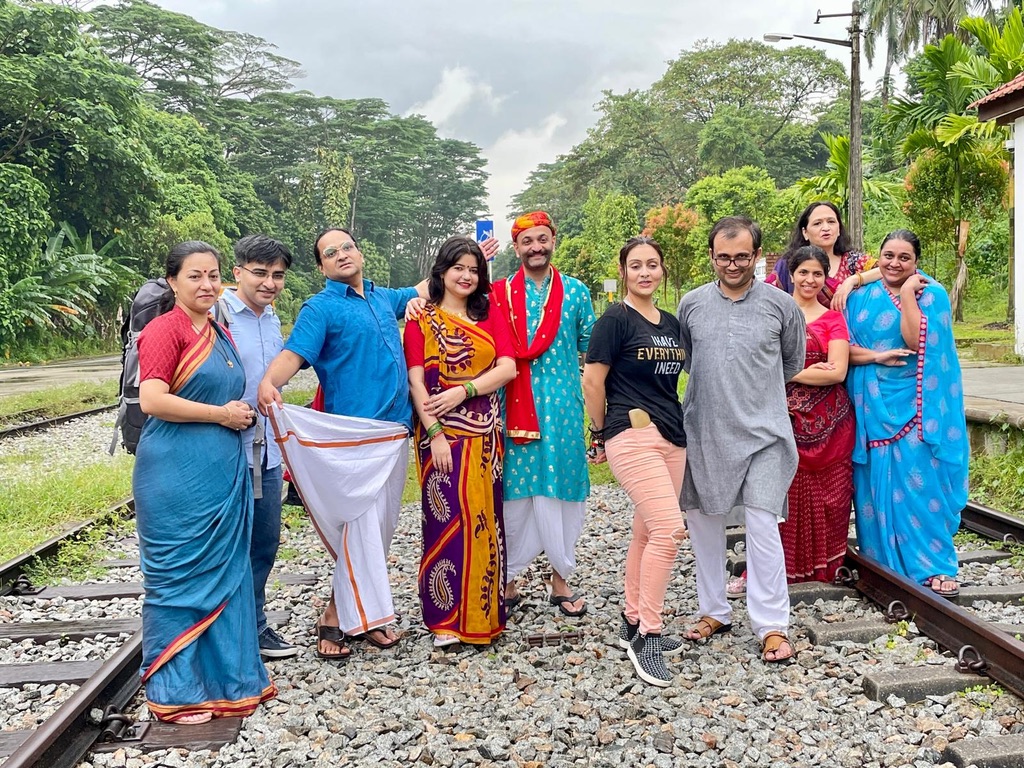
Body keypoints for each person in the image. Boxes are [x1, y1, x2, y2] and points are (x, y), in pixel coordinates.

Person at [257, 227, 428, 659]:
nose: (341, 255)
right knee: (360, 526)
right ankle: (336, 617)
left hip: (395, 433)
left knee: (381, 529)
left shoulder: (383, 297)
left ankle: (361, 615)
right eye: (330, 253)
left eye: (347, 247)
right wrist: (269, 382)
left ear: (360, 252)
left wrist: (473, 252)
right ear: (322, 266)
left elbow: (430, 283)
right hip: (354, 438)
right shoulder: (322, 307)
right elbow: (294, 355)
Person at [134, 241, 275, 723]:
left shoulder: (220, 329)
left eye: (214, 275)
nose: (207, 285)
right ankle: (175, 692)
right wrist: (222, 414)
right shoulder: (162, 330)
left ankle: (230, 682)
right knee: (177, 580)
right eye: (195, 276)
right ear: (172, 281)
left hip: (221, 470)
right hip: (175, 473)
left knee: (228, 573)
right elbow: (152, 400)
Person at [676, 217, 805, 664]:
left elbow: (791, 362)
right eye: (724, 257)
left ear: (757, 256)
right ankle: (714, 610)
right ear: (712, 256)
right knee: (705, 523)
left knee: (762, 524)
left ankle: (772, 625)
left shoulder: (782, 306)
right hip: (705, 430)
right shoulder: (690, 305)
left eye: (742, 256)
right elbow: (690, 362)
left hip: (767, 434)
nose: (733, 264)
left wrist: (754, 395)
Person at [582, 236, 688, 687]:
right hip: (631, 433)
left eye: (652, 265)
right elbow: (592, 381)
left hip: (673, 436)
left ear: (662, 270)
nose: (645, 272)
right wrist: (600, 431)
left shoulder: (671, 322)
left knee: (646, 533)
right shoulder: (614, 320)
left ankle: (632, 619)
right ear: (623, 272)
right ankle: (649, 635)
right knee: (670, 530)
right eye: (636, 266)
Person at [404, 236, 517, 647]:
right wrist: (433, 432)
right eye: (459, 268)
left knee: (485, 522)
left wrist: (463, 391)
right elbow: (416, 380)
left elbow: (507, 369)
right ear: (441, 273)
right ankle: (446, 622)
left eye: (474, 269)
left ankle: (486, 617)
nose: (467, 276)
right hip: (440, 437)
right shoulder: (421, 318)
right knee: (446, 524)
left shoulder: (490, 316)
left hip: (485, 437)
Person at [845, 230, 968, 598]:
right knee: (873, 487)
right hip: (870, 407)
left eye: (904, 257)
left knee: (920, 484)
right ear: (877, 257)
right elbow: (844, 348)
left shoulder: (933, 294)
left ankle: (934, 565)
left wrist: (905, 296)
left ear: (917, 262)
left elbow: (917, 342)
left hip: (918, 409)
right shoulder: (859, 297)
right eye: (888, 255)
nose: (894, 263)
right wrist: (875, 357)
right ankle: (880, 562)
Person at [491, 211, 597, 617]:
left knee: (565, 490)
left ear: (554, 240)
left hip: (564, 410)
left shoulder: (575, 292)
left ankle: (560, 578)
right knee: (514, 494)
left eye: (542, 239)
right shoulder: (498, 294)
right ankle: (510, 578)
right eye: (527, 241)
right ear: (516, 248)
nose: (536, 247)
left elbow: (590, 346)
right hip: (511, 407)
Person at [217, 234, 297, 659]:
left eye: (278, 275)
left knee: (263, 542)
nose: (269, 283)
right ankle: (223, 633)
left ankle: (255, 626)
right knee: (226, 544)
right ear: (238, 272)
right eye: (260, 273)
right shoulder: (217, 312)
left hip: (265, 452)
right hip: (224, 448)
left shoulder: (271, 318)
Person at [778, 246, 855, 584]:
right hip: (785, 422)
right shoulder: (778, 314)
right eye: (803, 273)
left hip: (832, 426)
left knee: (833, 501)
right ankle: (779, 572)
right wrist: (806, 369)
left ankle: (825, 570)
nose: (810, 280)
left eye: (817, 274)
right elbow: (762, 365)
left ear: (826, 278)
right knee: (785, 502)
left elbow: (837, 373)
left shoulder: (833, 318)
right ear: (792, 274)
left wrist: (787, 371)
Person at [767, 201, 879, 311]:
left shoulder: (851, 261)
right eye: (817, 223)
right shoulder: (788, 264)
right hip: (798, 326)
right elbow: (768, 297)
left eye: (831, 222)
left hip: (845, 328)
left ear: (839, 229)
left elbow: (886, 270)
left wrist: (852, 280)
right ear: (805, 232)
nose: (826, 228)